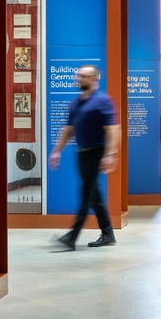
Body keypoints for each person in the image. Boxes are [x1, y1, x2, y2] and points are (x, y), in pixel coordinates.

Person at [50, 64, 119, 250]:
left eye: (82, 76)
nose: (78, 79)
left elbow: (113, 130)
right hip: (82, 154)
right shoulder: (75, 103)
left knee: (86, 193)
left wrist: (110, 154)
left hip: (96, 153)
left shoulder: (103, 101)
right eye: (78, 76)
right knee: (93, 195)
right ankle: (108, 233)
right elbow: (68, 130)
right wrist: (57, 150)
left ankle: (72, 235)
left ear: (94, 78)